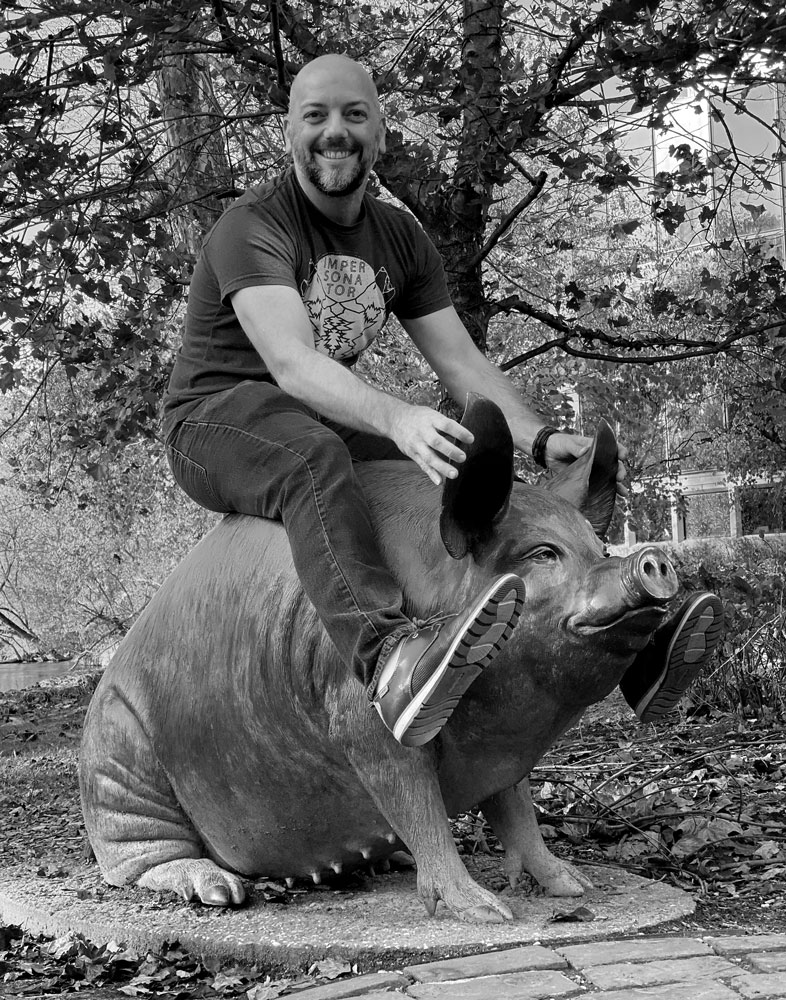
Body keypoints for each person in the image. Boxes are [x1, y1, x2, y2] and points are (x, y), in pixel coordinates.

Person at [162, 54, 722, 746]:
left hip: (308, 415)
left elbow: (461, 363)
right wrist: (396, 418)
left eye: (353, 114)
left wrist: (541, 440)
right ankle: (388, 662)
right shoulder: (254, 226)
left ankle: (632, 632)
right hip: (215, 419)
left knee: (464, 476)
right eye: (316, 116)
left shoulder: (399, 236)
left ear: (382, 133)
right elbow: (292, 362)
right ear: (290, 134)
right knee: (313, 461)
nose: (335, 132)